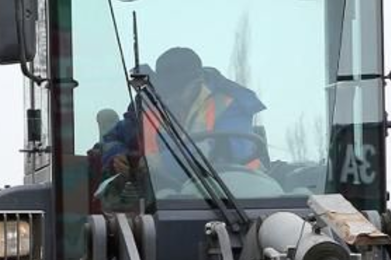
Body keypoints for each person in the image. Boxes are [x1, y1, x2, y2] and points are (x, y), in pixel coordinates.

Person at [97, 46, 266, 179]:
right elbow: (112, 138)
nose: (172, 97)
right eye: (167, 90)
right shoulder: (149, 107)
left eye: (179, 89)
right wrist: (116, 155)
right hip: (170, 201)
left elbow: (232, 152)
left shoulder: (229, 105)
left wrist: (158, 163)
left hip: (240, 194)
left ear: (197, 83)